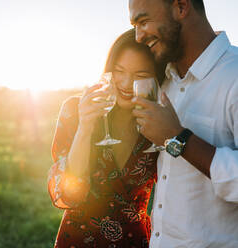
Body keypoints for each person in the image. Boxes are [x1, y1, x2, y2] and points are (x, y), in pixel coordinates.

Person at [129, 0, 238, 247]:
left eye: (143, 22)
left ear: (181, 7)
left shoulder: (235, 75)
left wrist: (178, 139)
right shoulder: (161, 81)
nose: (138, 37)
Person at [48, 29, 165, 248]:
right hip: (78, 240)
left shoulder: (159, 122)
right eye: (119, 71)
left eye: (140, 75)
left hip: (134, 241)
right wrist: (85, 127)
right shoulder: (75, 110)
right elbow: (69, 194)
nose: (126, 83)